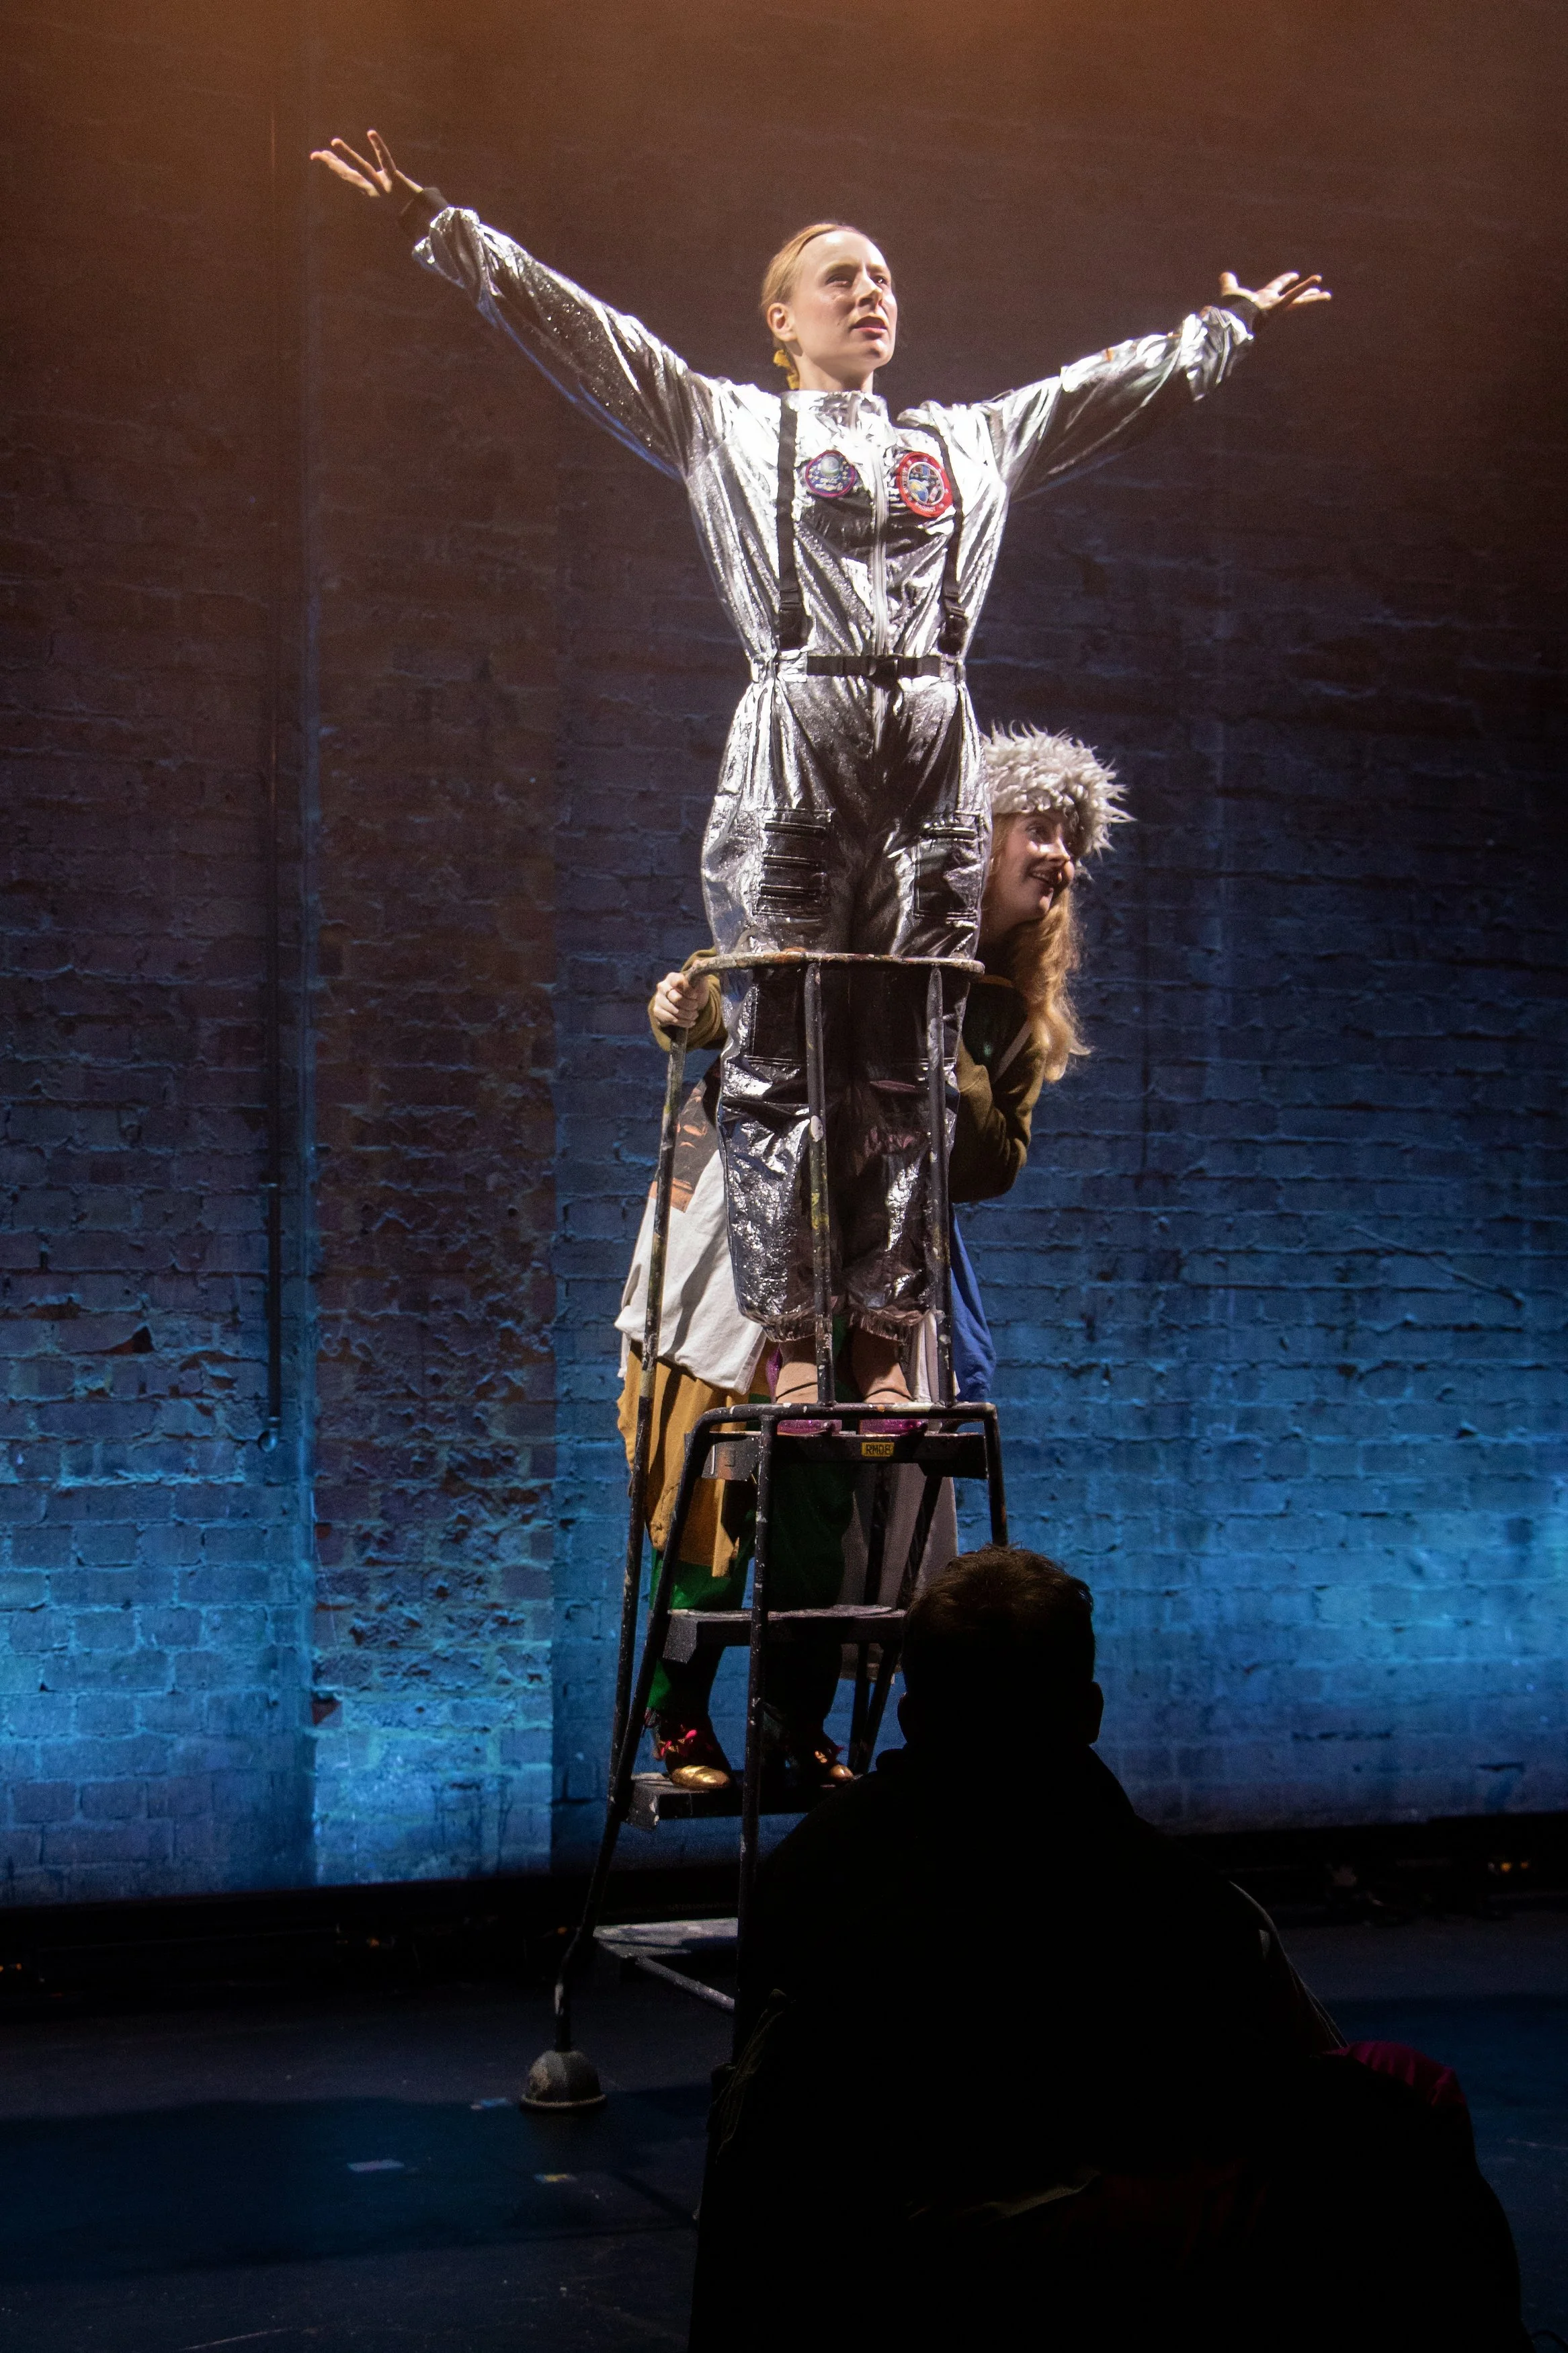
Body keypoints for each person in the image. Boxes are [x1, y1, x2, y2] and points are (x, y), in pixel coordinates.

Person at [313, 129, 1330, 1408]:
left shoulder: (967, 443)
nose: (870, 293)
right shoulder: (727, 426)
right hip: (797, 729)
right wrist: (438, 224)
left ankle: (879, 1346)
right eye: (839, 277)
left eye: (884, 277)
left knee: (906, 1047)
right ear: (780, 321)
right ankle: (790, 1344)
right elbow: (590, 338)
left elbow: (1095, 392)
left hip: (929, 745)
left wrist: (1220, 331)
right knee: (783, 1047)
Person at [692, 1548, 1529, 2353]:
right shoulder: (1148, 1885)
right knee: (1404, 2112)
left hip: (811, 2261)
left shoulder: (807, 1863)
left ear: (912, 1716)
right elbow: (1272, 2079)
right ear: (1088, 1713)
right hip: (1006, 2250)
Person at [621, 729, 1123, 1791]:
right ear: (966, 840)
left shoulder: (1000, 1014)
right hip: (750, 1250)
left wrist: (951, 1055)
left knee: (835, 1501)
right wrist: (685, 1005)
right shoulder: (853, 931)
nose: (1061, 858)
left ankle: (789, 1720)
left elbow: (988, 1169)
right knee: (715, 1496)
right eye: (1040, 829)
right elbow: (742, 1000)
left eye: (1072, 842)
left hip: (882, 1278)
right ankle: (674, 1718)